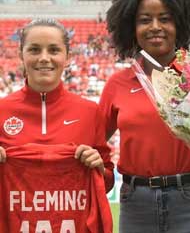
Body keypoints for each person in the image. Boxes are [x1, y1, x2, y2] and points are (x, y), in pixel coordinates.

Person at [100, 0, 190, 232]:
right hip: (136, 203)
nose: (155, 27)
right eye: (145, 20)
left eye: (165, 19)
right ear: (131, 28)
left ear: (180, 23)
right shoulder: (117, 84)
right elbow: (92, 141)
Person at [0, 18, 114, 192]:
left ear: (67, 57)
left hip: (74, 219)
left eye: (54, 50)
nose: (44, 58)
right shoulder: (2, 110)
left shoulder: (90, 111)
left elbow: (107, 182)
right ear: (20, 55)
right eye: (34, 50)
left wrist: (98, 167)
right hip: (14, 219)